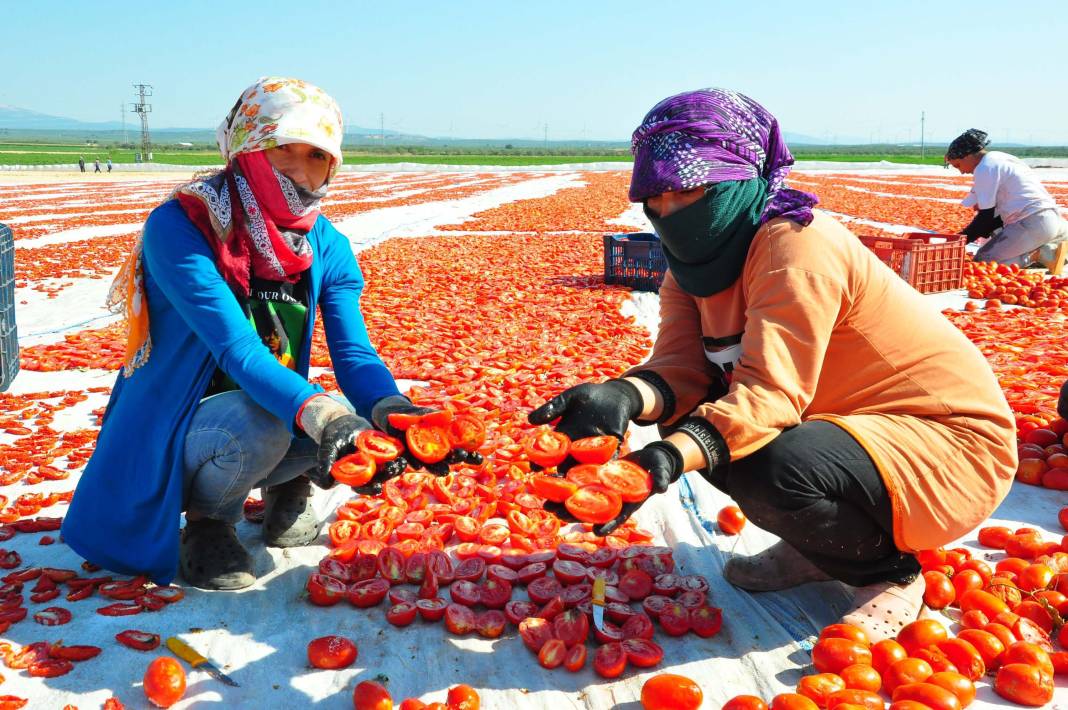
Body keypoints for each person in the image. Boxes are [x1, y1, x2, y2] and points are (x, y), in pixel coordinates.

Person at [529, 89, 1017, 643]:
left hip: (948, 445)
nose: (668, 215)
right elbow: (681, 367)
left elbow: (771, 395)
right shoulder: (694, 265)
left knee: (764, 462)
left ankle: (888, 574)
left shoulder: (794, 245)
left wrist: (658, 461)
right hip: (848, 430)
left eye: (687, 191)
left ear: (738, 179)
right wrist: (622, 396)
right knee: (692, 421)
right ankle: (820, 548)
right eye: (654, 199)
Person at [62, 77, 431, 591]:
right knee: (269, 419)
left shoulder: (327, 243)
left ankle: (288, 485)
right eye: (284, 150)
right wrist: (324, 415)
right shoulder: (184, 227)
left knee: (345, 422)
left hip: (270, 410)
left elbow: (352, 352)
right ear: (246, 147)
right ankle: (209, 523)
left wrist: (389, 409)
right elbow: (236, 350)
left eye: (318, 157)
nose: (302, 172)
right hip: (187, 421)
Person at [946, 129, 1068, 273]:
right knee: (997, 233)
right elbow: (994, 220)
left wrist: (958, 241)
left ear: (967, 156)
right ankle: (1056, 248)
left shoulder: (985, 168)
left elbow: (985, 218)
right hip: (1054, 220)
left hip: (1033, 222)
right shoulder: (1001, 158)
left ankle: (1041, 254)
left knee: (983, 261)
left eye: (958, 165)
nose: (961, 172)